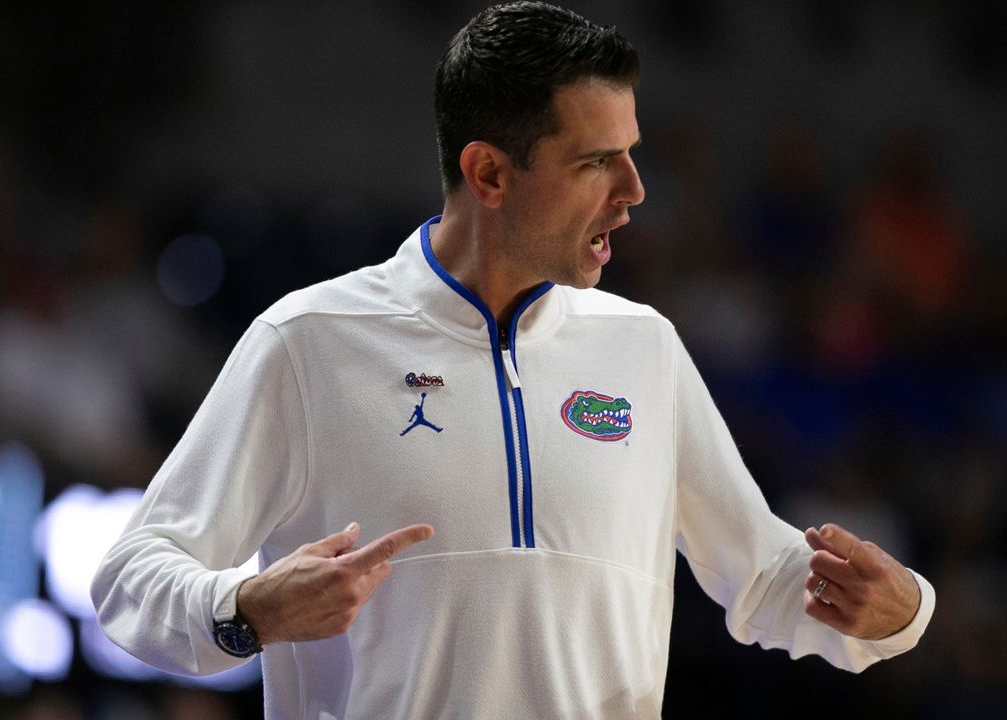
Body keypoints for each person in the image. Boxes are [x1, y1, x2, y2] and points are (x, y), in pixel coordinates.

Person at [91, 3, 936, 718]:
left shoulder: (643, 347)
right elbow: (131, 579)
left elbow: (766, 578)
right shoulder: (308, 341)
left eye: (631, 152)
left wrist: (897, 612)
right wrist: (239, 611)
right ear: (489, 173)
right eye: (597, 162)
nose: (635, 190)